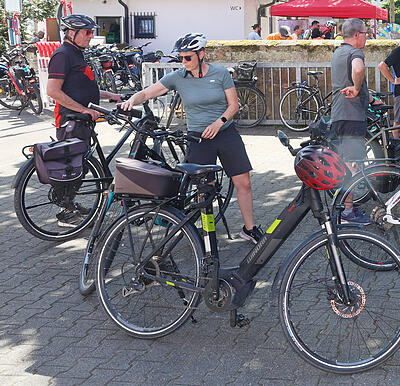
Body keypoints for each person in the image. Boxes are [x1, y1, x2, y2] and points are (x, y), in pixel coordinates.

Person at [119, 33, 262, 243]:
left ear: (201, 54)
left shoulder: (221, 74)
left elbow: (234, 105)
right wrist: (132, 100)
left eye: (188, 57)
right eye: (181, 58)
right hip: (198, 139)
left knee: (244, 183)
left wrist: (218, 122)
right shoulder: (178, 77)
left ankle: (249, 229)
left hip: (225, 133)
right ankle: (206, 233)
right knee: (204, 190)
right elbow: (149, 93)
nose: (184, 62)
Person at [46, 14, 123, 227]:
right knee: (71, 168)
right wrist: (82, 110)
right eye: (87, 32)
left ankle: (70, 206)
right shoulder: (63, 54)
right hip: (71, 119)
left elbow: (82, 87)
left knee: (80, 167)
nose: (91, 36)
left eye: (91, 31)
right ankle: (66, 213)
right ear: (72, 33)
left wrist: (111, 96)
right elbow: (53, 90)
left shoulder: (77, 53)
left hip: (82, 119)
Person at [330, 19, 371, 223]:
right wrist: (356, 88)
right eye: (366, 33)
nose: (367, 37)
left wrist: (367, 95)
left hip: (340, 114)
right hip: (352, 115)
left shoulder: (338, 52)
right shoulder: (356, 53)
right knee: (352, 164)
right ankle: (347, 211)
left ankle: (346, 208)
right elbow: (358, 69)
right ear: (356, 35)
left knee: (347, 161)